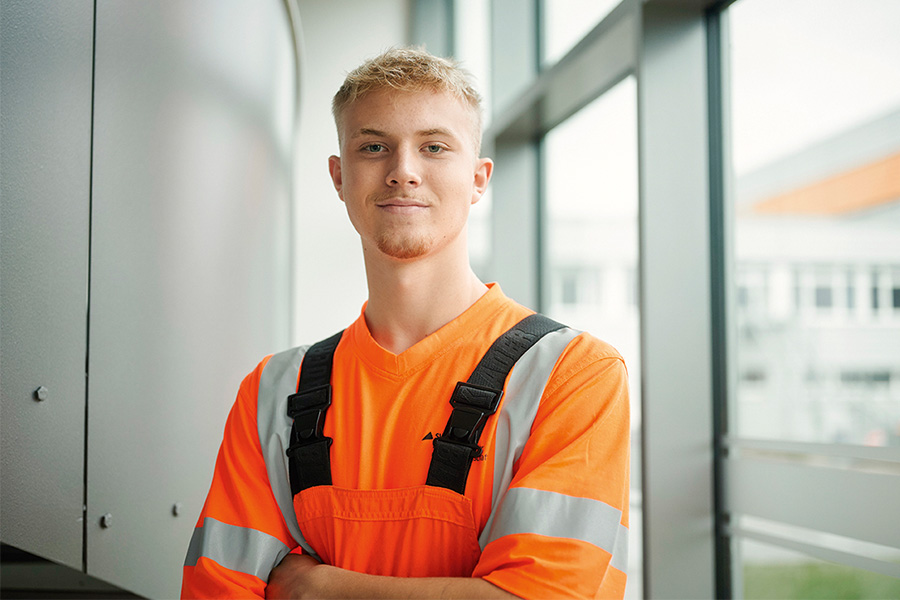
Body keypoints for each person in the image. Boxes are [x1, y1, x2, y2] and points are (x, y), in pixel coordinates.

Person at [181, 47, 630, 599]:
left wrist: (317, 588)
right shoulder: (273, 393)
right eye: (374, 147)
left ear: (478, 178)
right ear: (339, 176)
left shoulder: (573, 374)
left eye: (434, 147)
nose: (403, 172)